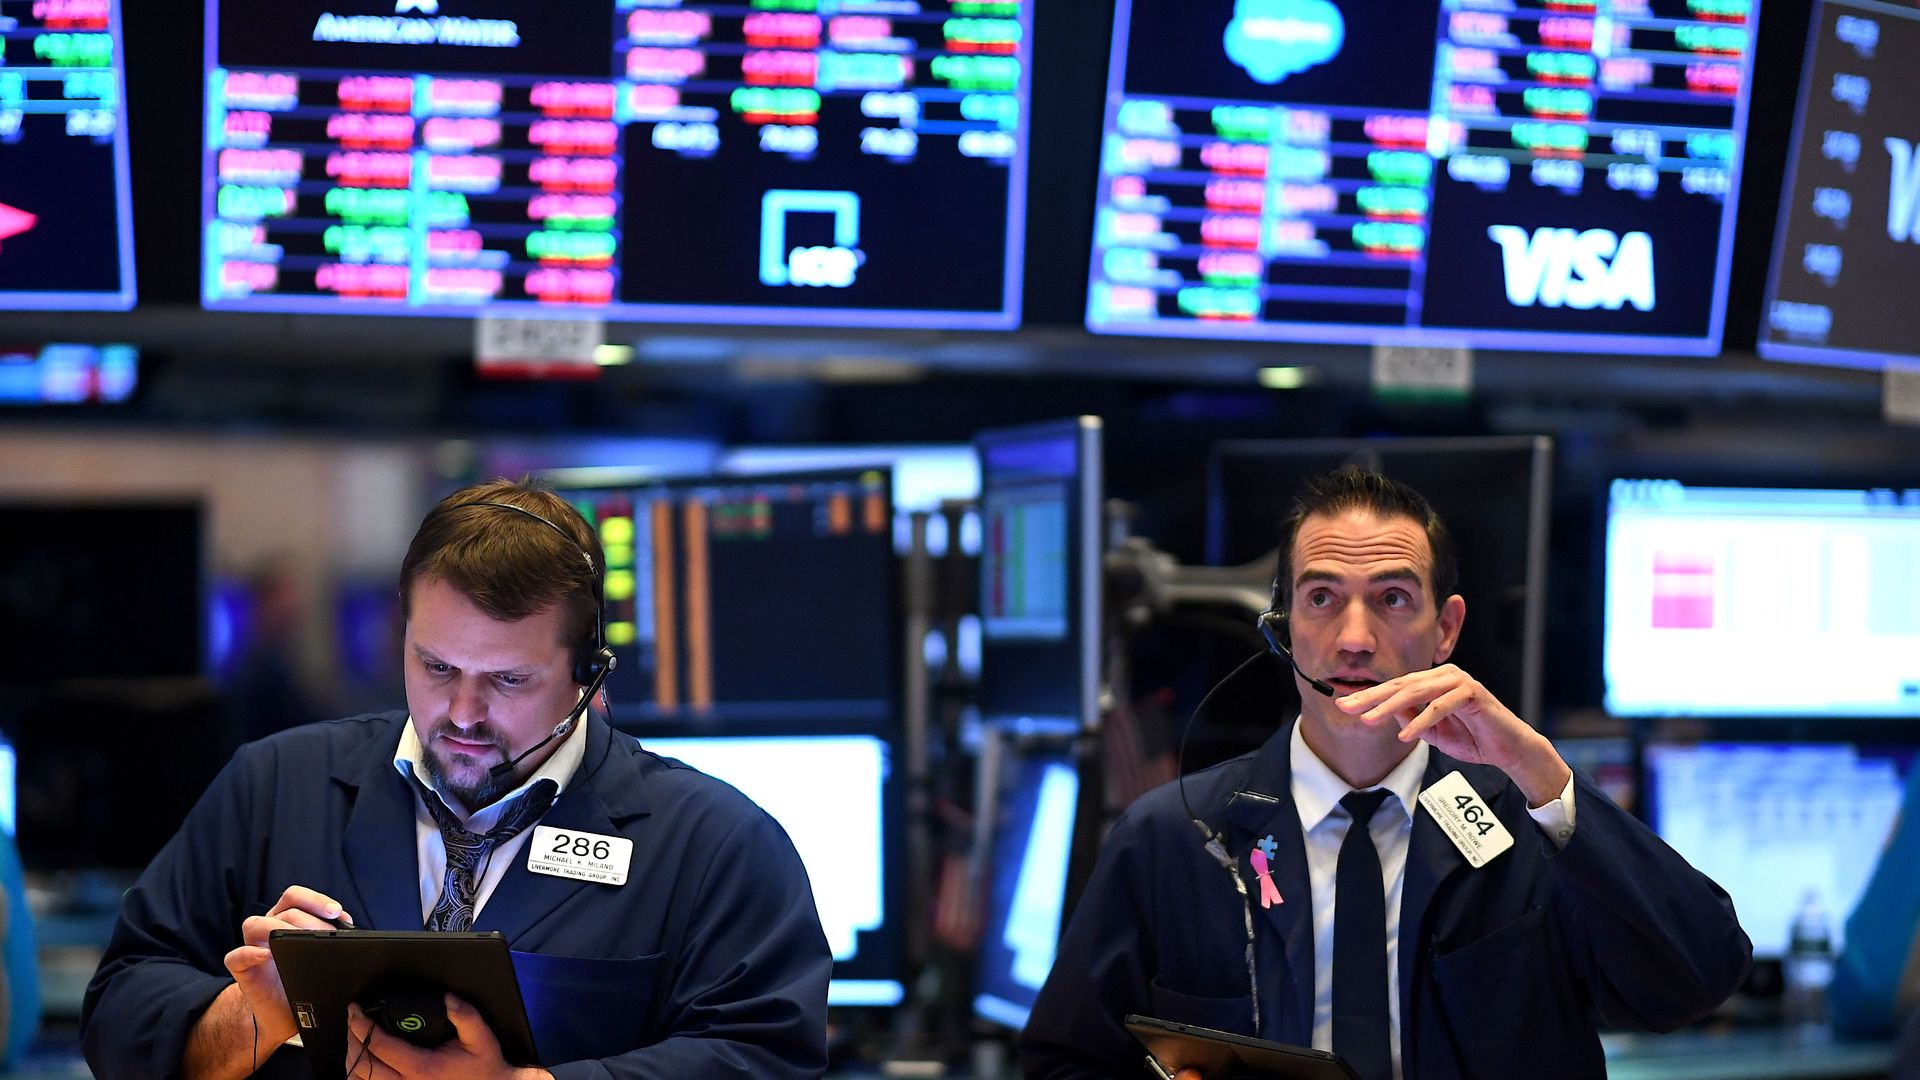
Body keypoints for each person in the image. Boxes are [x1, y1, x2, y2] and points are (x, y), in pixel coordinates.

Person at [81, 479, 831, 1079]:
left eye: (508, 679)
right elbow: (118, 1011)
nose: (463, 713)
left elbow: (764, 1057)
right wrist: (251, 1018)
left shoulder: (719, 845)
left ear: (587, 674)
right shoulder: (274, 786)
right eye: (436, 667)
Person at [1021, 467, 1752, 1080]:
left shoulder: (1528, 824)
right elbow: (1063, 1062)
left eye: (1393, 598)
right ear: (1283, 625)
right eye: (1322, 598)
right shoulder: (1173, 838)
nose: (1355, 640)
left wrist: (1543, 775)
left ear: (1446, 629)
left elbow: (1696, 980)